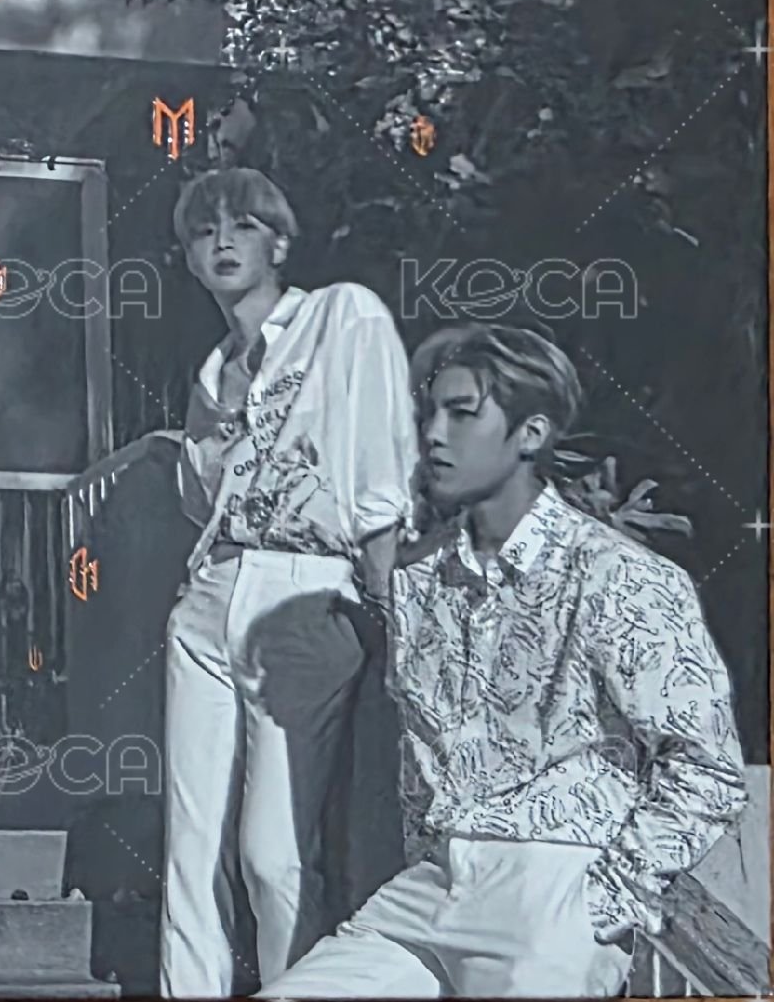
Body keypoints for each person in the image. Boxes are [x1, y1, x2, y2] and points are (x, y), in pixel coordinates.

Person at [270, 323, 747, 1000]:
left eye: (462, 413)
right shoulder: (417, 581)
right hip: (430, 888)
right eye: (429, 412)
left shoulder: (618, 575)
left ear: (531, 433)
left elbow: (708, 767)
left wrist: (607, 898)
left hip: (553, 889)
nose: (434, 434)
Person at [159, 168, 418, 998]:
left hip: (307, 590)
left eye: (243, 225)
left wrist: (388, 602)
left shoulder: (341, 316)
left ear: (279, 241)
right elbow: (198, 501)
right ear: (189, 256)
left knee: (273, 852)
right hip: (210, 594)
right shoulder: (211, 372)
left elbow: (380, 461)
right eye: (205, 231)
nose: (223, 242)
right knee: (189, 846)